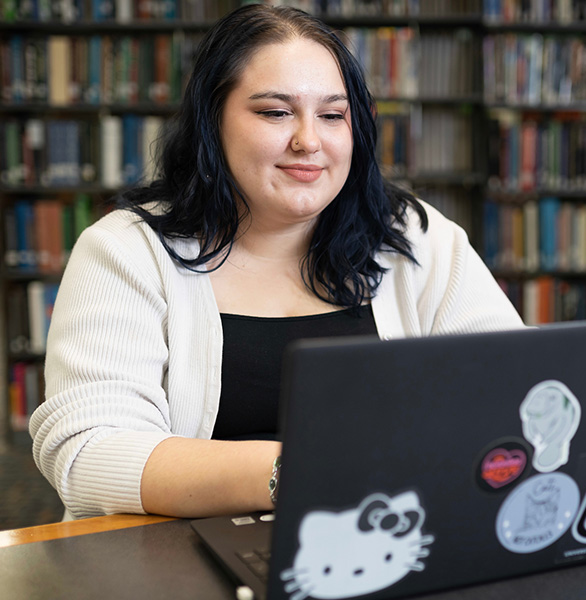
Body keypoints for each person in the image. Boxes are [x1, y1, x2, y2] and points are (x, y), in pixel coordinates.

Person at [29, 4, 523, 520]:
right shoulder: (126, 250)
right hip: (181, 555)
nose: (309, 141)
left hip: (389, 536)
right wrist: (303, 473)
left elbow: (516, 397)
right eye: (275, 112)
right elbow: (88, 453)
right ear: (211, 122)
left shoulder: (418, 239)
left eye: (333, 115)